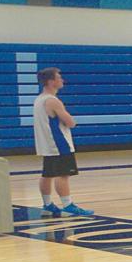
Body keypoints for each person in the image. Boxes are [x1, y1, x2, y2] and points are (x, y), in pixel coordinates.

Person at [32, 67, 94, 215]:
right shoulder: (53, 101)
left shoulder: (39, 99)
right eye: (59, 77)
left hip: (47, 144)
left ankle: (47, 205)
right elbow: (70, 122)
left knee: (47, 174)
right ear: (51, 81)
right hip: (59, 144)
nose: (62, 80)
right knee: (63, 174)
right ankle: (68, 206)